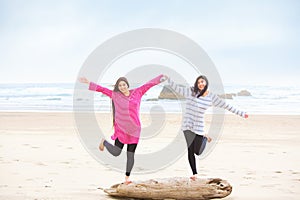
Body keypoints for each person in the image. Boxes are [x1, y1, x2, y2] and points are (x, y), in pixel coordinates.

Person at [79, 74, 167, 184]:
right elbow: (102, 89)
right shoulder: (115, 95)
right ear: (118, 87)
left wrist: (160, 78)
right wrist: (88, 82)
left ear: (127, 85)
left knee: (130, 154)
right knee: (116, 152)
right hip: (121, 129)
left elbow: (149, 85)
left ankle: (127, 178)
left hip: (135, 130)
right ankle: (105, 143)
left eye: (123, 85)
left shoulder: (137, 92)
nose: (122, 87)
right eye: (120, 85)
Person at [166, 75, 248, 181]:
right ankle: (194, 173)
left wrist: (241, 113)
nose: (201, 84)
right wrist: (168, 79)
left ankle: (204, 137)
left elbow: (226, 105)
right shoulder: (191, 92)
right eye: (199, 82)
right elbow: (178, 89)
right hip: (187, 125)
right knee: (190, 150)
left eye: (202, 82)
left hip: (199, 126)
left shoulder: (211, 97)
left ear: (206, 83)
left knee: (198, 151)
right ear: (196, 83)